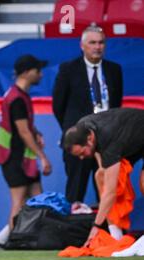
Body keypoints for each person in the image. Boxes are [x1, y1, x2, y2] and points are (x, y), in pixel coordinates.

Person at [0, 54, 52, 251]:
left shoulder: (19, 95)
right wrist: (43, 157)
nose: (40, 73)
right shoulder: (17, 99)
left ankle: (3, 239)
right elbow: (22, 131)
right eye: (37, 69)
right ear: (26, 72)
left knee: (38, 200)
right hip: (15, 158)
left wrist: (36, 132)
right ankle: (13, 243)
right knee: (19, 202)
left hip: (23, 158)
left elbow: (24, 127)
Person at [52, 25, 123, 203]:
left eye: (101, 43)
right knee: (76, 189)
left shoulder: (114, 69)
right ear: (82, 45)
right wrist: (73, 131)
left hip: (106, 140)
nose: (97, 47)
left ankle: (107, 228)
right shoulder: (68, 69)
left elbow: (116, 103)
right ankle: (71, 228)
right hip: (79, 140)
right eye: (92, 43)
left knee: (108, 189)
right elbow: (58, 105)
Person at [63, 108, 144, 247]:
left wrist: (96, 227)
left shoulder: (108, 138)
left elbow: (110, 193)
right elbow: (98, 152)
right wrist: (102, 168)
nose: (82, 158)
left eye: (82, 153)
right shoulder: (83, 126)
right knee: (100, 176)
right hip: (131, 143)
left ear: (90, 139)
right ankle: (116, 237)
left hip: (135, 136)